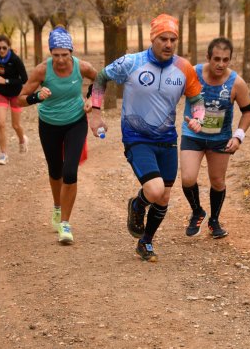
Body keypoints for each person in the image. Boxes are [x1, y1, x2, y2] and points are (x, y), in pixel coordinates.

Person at [88, 13, 205, 262]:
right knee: (154, 189)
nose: (168, 44)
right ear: (153, 38)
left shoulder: (184, 68)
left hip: (167, 139)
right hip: (136, 137)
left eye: (173, 39)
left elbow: (197, 100)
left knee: (163, 196)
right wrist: (95, 113)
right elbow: (101, 77)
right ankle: (137, 205)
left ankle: (146, 242)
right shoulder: (132, 62)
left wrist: (198, 117)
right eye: (163, 38)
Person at [18, 26, 97, 245]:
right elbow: (20, 99)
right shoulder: (42, 71)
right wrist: (37, 97)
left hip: (75, 122)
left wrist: (91, 98)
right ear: (50, 53)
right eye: (56, 55)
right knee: (55, 171)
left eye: (65, 54)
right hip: (49, 124)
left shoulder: (82, 67)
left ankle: (65, 224)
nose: (61, 60)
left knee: (70, 172)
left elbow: (98, 79)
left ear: (71, 52)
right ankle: (56, 206)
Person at [180, 37, 250, 239]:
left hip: (219, 138)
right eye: (216, 59)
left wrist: (238, 137)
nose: (221, 64)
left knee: (217, 181)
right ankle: (197, 211)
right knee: (187, 178)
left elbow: (248, 111)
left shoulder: (236, 83)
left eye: (225, 60)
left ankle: (214, 221)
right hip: (192, 134)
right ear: (208, 58)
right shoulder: (193, 73)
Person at [0, 34, 29, 165]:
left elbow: (24, 79)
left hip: (16, 95)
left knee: (15, 125)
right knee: (1, 124)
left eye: (4, 48)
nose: (1, 50)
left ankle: (22, 139)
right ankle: (3, 154)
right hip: (1, 94)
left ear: (9, 47)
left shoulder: (15, 60)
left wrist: (6, 80)